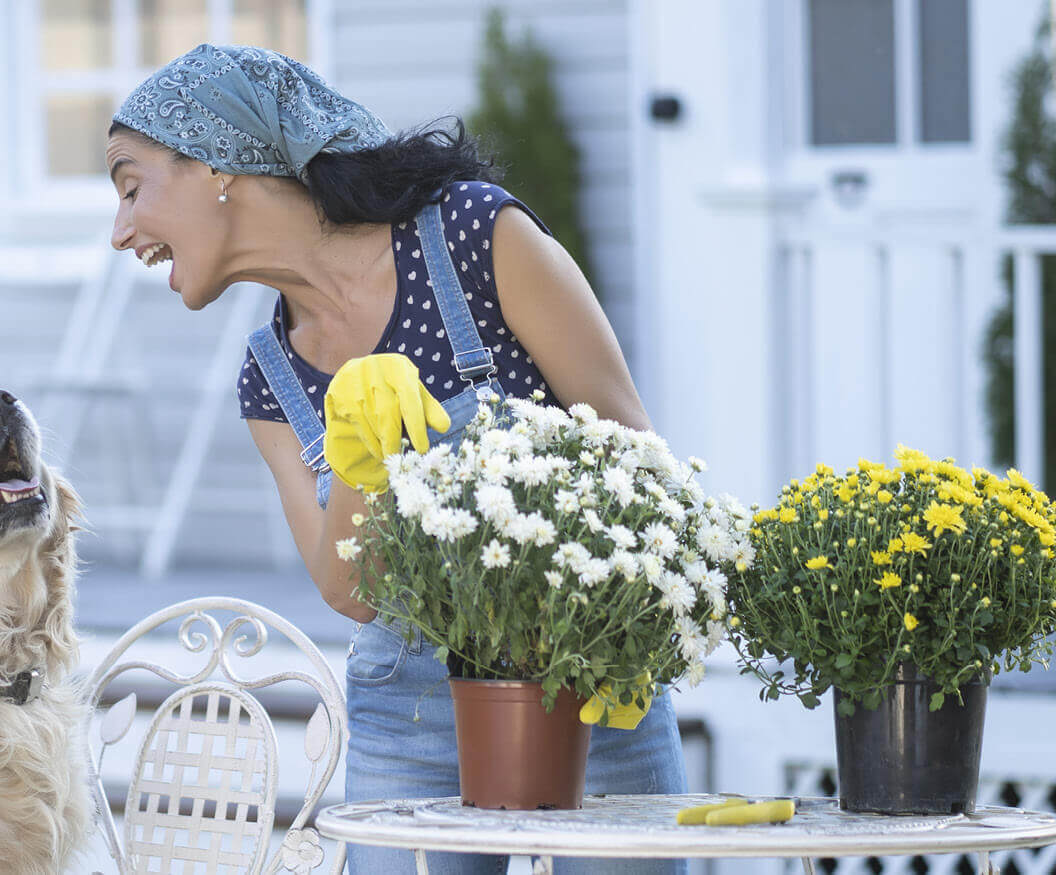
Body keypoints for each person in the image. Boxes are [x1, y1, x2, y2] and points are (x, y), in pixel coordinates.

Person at [104, 44, 687, 874]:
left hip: (588, 685)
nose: (120, 231)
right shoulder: (271, 378)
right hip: (409, 721)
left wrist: (619, 625)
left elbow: (636, 455)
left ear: (215, 164)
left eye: (131, 188)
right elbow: (351, 591)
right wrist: (361, 455)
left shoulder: (477, 239)